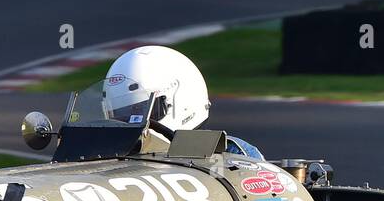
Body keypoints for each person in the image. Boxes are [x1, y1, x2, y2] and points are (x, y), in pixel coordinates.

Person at [101, 46, 264, 158]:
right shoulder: (102, 155)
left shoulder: (233, 153)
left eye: (140, 110)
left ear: (177, 102)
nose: (131, 121)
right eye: (122, 114)